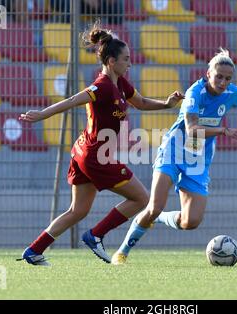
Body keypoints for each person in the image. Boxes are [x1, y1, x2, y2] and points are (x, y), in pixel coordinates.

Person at [111, 48, 237, 265]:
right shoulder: (195, 93)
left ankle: (159, 217)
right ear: (208, 74)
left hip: (198, 158)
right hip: (174, 151)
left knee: (191, 221)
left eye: (228, 78)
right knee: (154, 205)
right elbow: (191, 130)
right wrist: (223, 131)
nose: (223, 82)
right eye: (219, 77)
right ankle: (122, 252)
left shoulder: (231, 93)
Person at [17, 21, 184, 266]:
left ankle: (33, 250)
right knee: (142, 198)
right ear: (111, 61)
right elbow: (74, 99)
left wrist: (167, 104)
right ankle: (95, 235)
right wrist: (43, 114)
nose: (130, 63)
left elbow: (142, 102)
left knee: (78, 210)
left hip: (85, 152)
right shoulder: (103, 86)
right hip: (95, 155)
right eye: (126, 59)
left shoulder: (121, 84)